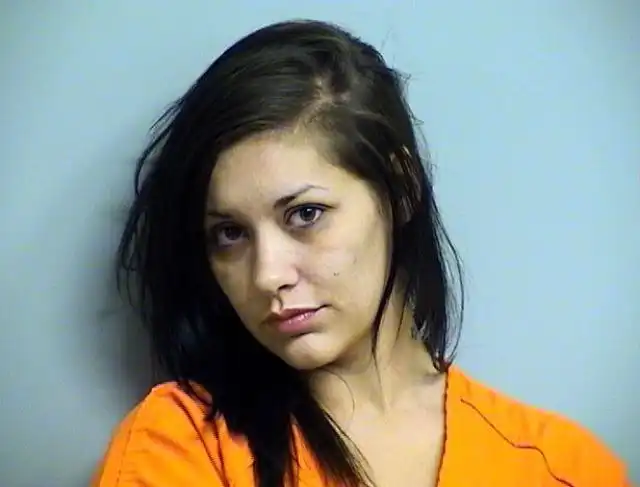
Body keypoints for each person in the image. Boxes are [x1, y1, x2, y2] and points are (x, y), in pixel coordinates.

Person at [90, 19, 631, 487]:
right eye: (230, 234)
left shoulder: (563, 467)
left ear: (400, 188)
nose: (267, 276)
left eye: (305, 214)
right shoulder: (183, 441)